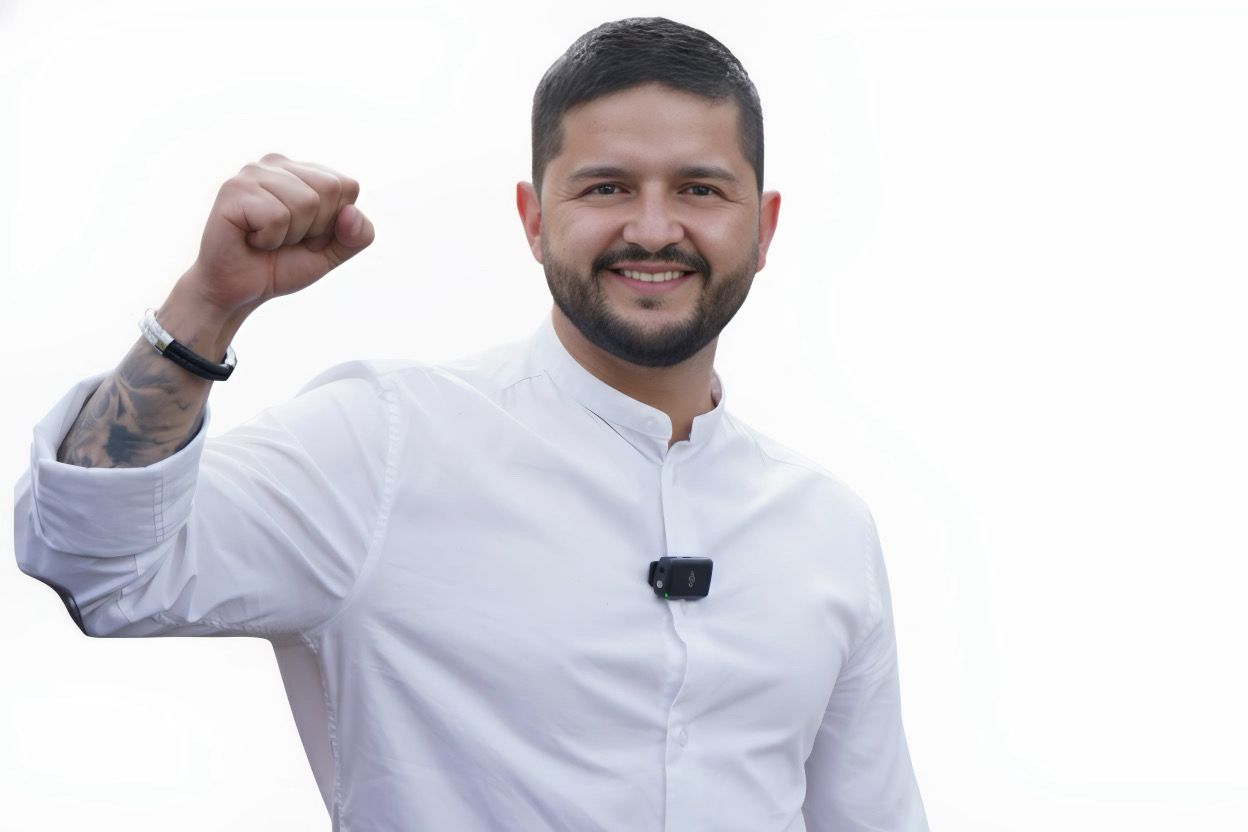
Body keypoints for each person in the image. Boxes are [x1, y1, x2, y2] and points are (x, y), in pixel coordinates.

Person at [13, 17, 928, 832]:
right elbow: (100, 564)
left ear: (763, 228)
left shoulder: (828, 530)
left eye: (699, 189)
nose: (653, 229)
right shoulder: (384, 447)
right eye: (606, 188)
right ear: (533, 219)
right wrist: (206, 307)